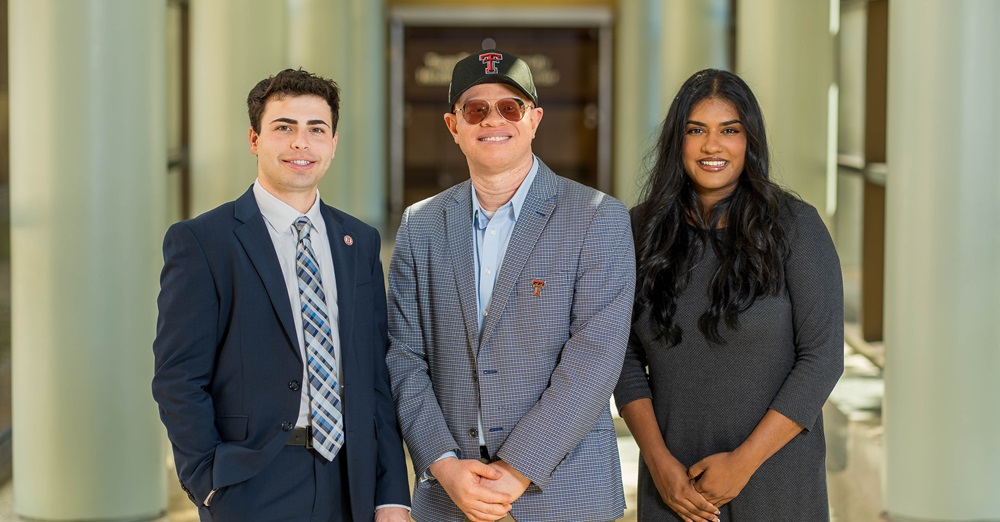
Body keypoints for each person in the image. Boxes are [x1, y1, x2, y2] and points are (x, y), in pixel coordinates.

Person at [386, 47, 635, 522]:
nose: (492, 120)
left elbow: (596, 356)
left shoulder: (597, 217)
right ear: (453, 125)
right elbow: (404, 357)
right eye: (475, 109)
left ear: (535, 119)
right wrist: (444, 465)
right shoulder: (421, 226)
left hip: (563, 493)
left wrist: (516, 470)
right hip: (450, 496)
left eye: (510, 107)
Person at [151, 68, 410, 522]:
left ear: (333, 143)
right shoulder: (203, 242)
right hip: (251, 481)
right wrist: (207, 481)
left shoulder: (360, 241)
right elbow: (178, 377)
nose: (301, 143)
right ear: (254, 139)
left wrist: (391, 493)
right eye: (284, 127)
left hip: (351, 478)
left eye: (316, 129)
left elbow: (374, 379)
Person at [614, 68, 844, 522]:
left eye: (730, 131)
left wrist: (742, 465)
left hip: (777, 479)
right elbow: (621, 357)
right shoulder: (638, 231)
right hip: (675, 487)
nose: (712, 146)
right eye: (695, 130)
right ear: (676, 141)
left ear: (749, 141)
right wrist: (660, 465)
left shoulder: (796, 227)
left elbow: (821, 358)